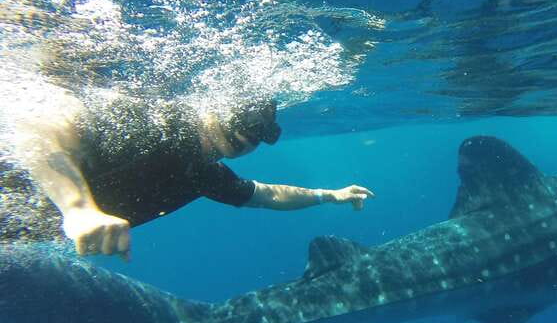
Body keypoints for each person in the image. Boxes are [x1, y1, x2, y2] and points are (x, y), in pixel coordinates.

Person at [14, 91, 374, 260]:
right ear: (211, 106)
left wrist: (331, 195)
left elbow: (267, 195)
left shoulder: (202, 174)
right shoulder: (147, 120)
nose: (251, 133)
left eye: (263, 130)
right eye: (245, 118)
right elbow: (36, 131)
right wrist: (77, 209)